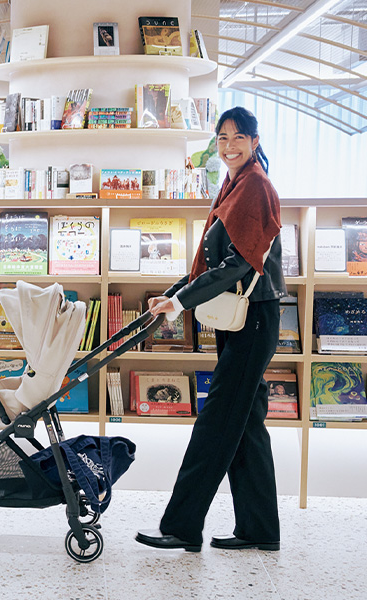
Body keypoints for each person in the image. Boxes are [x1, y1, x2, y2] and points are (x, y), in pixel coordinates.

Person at [135, 106, 285, 553]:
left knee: (217, 422)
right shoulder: (234, 183)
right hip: (244, 316)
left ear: (255, 141)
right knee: (247, 423)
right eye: (222, 138)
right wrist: (173, 294)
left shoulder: (255, 185)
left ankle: (182, 525)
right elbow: (210, 261)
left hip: (253, 319)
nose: (229, 145)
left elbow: (238, 262)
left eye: (238, 137)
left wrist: (181, 301)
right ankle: (260, 528)